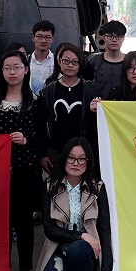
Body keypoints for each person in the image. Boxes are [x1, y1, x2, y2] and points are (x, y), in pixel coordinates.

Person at [0, 50, 41, 271]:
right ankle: (1, 270)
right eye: (7, 68)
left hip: (26, 169)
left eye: (17, 67)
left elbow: (42, 137)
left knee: (24, 221)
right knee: (0, 222)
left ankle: (24, 270)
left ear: (26, 70)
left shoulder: (35, 101)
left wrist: (26, 140)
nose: (12, 72)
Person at [32, 137, 112, 271]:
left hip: (87, 251)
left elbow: (104, 230)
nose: (76, 163)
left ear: (88, 162)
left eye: (81, 159)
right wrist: (81, 235)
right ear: (64, 159)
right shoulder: (50, 186)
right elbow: (49, 229)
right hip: (59, 248)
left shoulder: (97, 188)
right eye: (71, 158)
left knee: (78, 248)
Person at [35, 43, 101, 174]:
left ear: (80, 64)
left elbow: (96, 125)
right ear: (59, 62)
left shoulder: (92, 90)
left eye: (75, 62)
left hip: (83, 151)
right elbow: (41, 125)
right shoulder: (48, 91)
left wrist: (96, 111)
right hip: (55, 151)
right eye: (66, 61)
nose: (70, 65)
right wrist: (42, 153)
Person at [84, 20, 127, 97]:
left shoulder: (130, 62)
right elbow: (86, 87)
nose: (114, 40)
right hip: (99, 103)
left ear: (123, 38)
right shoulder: (93, 61)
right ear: (104, 38)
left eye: (118, 36)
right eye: (110, 36)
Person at [29, 20, 55, 95]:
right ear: (33, 38)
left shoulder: (57, 62)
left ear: (52, 39)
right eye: (39, 37)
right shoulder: (26, 61)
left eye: (47, 37)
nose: (43, 41)